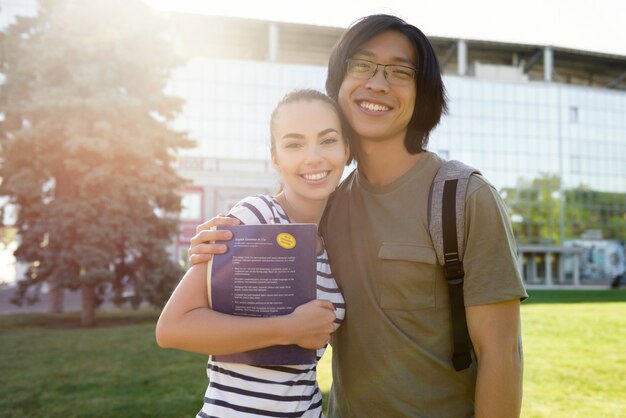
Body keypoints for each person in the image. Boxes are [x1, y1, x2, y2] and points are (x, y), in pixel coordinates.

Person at [188, 15, 528, 418]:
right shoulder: (324, 208)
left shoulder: (465, 197)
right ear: (338, 85)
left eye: (400, 71)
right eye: (361, 65)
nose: (378, 83)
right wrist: (218, 244)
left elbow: (502, 355)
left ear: (424, 94)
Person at [156, 89, 348, 417]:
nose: (313, 156)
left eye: (327, 140)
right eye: (294, 144)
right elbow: (173, 327)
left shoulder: (338, 241)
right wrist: (289, 328)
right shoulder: (258, 216)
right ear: (275, 158)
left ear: (347, 149)